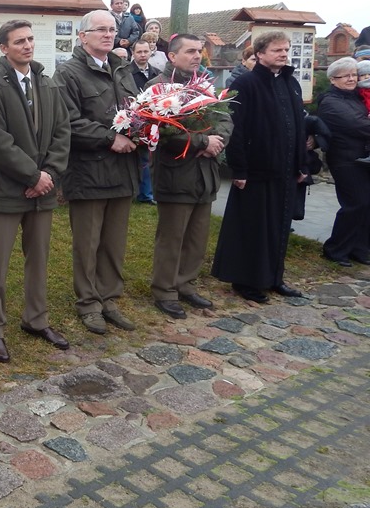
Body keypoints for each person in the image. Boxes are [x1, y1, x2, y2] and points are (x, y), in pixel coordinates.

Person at [0, 20, 71, 360]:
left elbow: (62, 132)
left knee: (39, 258)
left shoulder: (47, 83)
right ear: (4, 48)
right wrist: (32, 177)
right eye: (19, 41)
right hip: (5, 191)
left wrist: (49, 175)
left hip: (42, 191)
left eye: (30, 39)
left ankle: (36, 319)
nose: (27, 45)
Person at [53, 10, 139, 334]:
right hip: (88, 172)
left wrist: (145, 130)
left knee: (114, 244)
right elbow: (67, 121)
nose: (108, 34)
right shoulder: (68, 73)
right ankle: (89, 304)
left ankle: (109, 299)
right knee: (87, 245)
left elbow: (137, 110)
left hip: (123, 171)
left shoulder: (121, 69)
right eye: (100, 29)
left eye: (112, 29)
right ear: (82, 36)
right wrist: (109, 138)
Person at [212, 32, 307, 303]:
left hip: (284, 169)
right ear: (260, 53)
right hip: (256, 170)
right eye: (277, 50)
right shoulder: (246, 83)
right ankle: (246, 281)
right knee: (253, 227)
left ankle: (274, 278)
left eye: (286, 49)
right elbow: (237, 129)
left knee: (279, 226)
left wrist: (301, 163)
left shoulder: (290, 82)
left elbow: (297, 126)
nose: (283, 54)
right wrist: (239, 169)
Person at [146, 34, 228, 318]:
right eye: (190, 51)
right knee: (172, 237)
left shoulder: (205, 85)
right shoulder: (157, 87)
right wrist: (202, 143)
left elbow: (225, 117)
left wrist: (217, 141)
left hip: (205, 173)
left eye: (199, 51)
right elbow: (160, 131)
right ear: (172, 56)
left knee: (197, 235)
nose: (197, 56)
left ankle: (186, 284)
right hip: (175, 173)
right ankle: (165, 290)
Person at [317, 57, 370, 267]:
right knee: (355, 204)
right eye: (345, 76)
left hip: (362, 159)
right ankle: (335, 249)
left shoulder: (356, 97)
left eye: (354, 75)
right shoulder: (330, 102)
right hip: (345, 159)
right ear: (333, 79)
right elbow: (358, 125)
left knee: (366, 205)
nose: (351, 79)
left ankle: (359, 249)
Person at [129, 39, 158, 205]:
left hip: (154, 118)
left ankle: (148, 193)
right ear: (133, 53)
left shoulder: (156, 73)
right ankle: (141, 192)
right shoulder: (126, 73)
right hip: (134, 118)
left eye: (146, 51)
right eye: (139, 52)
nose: (142, 55)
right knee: (139, 157)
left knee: (149, 156)